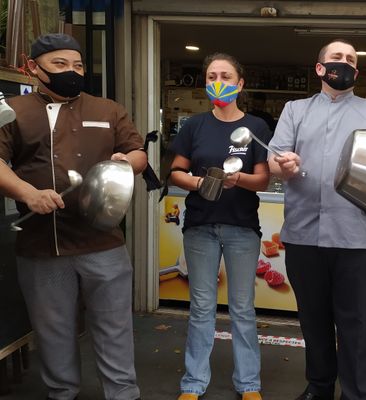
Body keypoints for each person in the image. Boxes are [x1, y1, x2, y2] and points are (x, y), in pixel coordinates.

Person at [0, 33, 147, 400]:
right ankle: (62, 393)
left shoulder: (107, 109)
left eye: (78, 65)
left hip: (103, 240)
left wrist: (127, 162)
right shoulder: (12, 110)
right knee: (53, 330)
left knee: (114, 326)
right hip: (41, 244)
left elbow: (138, 152)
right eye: (60, 65)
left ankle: (123, 393)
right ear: (34, 67)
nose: (72, 72)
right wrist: (27, 193)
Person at [268, 39, 366, 400]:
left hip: (355, 235)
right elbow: (273, 162)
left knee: (354, 324)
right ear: (320, 68)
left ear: (356, 73)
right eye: (335, 58)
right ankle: (319, 387)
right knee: (313, 322)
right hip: (303, 234)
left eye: (349, 59)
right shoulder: (295, 110)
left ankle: (358, 394)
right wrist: (284, 164)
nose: (342, 63)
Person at [169, 53, 270, 400]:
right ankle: (193, 384)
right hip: (200, 225)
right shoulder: (194, 126)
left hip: (242, 226)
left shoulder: (256, 127)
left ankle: (249, 384)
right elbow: (176, 172)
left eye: (226, 76)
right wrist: (200, 184)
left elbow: (263, 181)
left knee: (242, 308)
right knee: (201, 308)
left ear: (240, 84)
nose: (218, 82)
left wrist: (238, 178)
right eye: (212, 75)